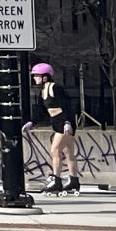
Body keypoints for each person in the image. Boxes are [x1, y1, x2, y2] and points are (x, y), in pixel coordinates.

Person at [32, 63, 80, 193]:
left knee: (55, 151)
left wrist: (67, 121)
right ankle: (73, 181)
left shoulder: (56, 87)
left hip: (64, 122)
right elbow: (41, 110)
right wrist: (32, 122)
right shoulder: (43, 91)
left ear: (45, 77)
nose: (35, 78)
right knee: (69, 152)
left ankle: (56, 181)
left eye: (37, 75)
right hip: (57, 122)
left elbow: (67, 105)